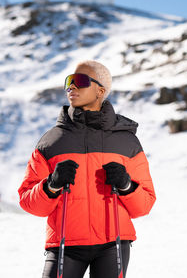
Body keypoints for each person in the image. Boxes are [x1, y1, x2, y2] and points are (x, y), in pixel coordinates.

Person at [18, 60, 156, 278]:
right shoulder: (52, 142)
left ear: (100, 90)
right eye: (68, 82)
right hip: (65, 244)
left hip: (113, 244)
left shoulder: (127, 142)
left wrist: (126, 185)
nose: (71, 87)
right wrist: (50, 185)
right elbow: (28, 202)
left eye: (79, 81)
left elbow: (144, 205)